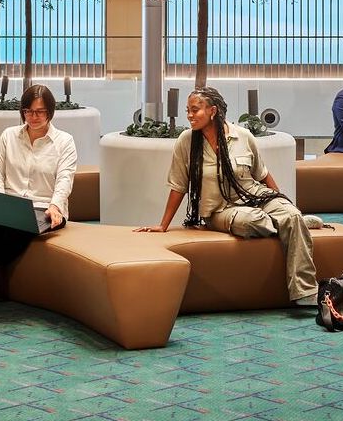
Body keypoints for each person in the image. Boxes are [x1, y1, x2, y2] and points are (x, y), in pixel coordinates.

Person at [135, 87, 321, 307]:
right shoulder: (187, 141)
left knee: (289, 213)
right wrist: (163, 225)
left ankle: (305, 290)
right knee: (252, 222)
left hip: (255, 196)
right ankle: (294, 224)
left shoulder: (243, 136)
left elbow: (262, 175)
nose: (190, 116)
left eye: (195, 110)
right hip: (220, 210)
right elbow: (178, 185)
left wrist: (285, 204)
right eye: (188, 110)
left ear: (213, 111)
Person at [0, 83, 77, 308]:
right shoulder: (9, 136)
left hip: (45, 208)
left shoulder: (64, 142)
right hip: (10, 203)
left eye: (40, 112)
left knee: (18, 229)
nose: (33, 117)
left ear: (50, 112)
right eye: (28, 111)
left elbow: (65, 178)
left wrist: (56, 206)